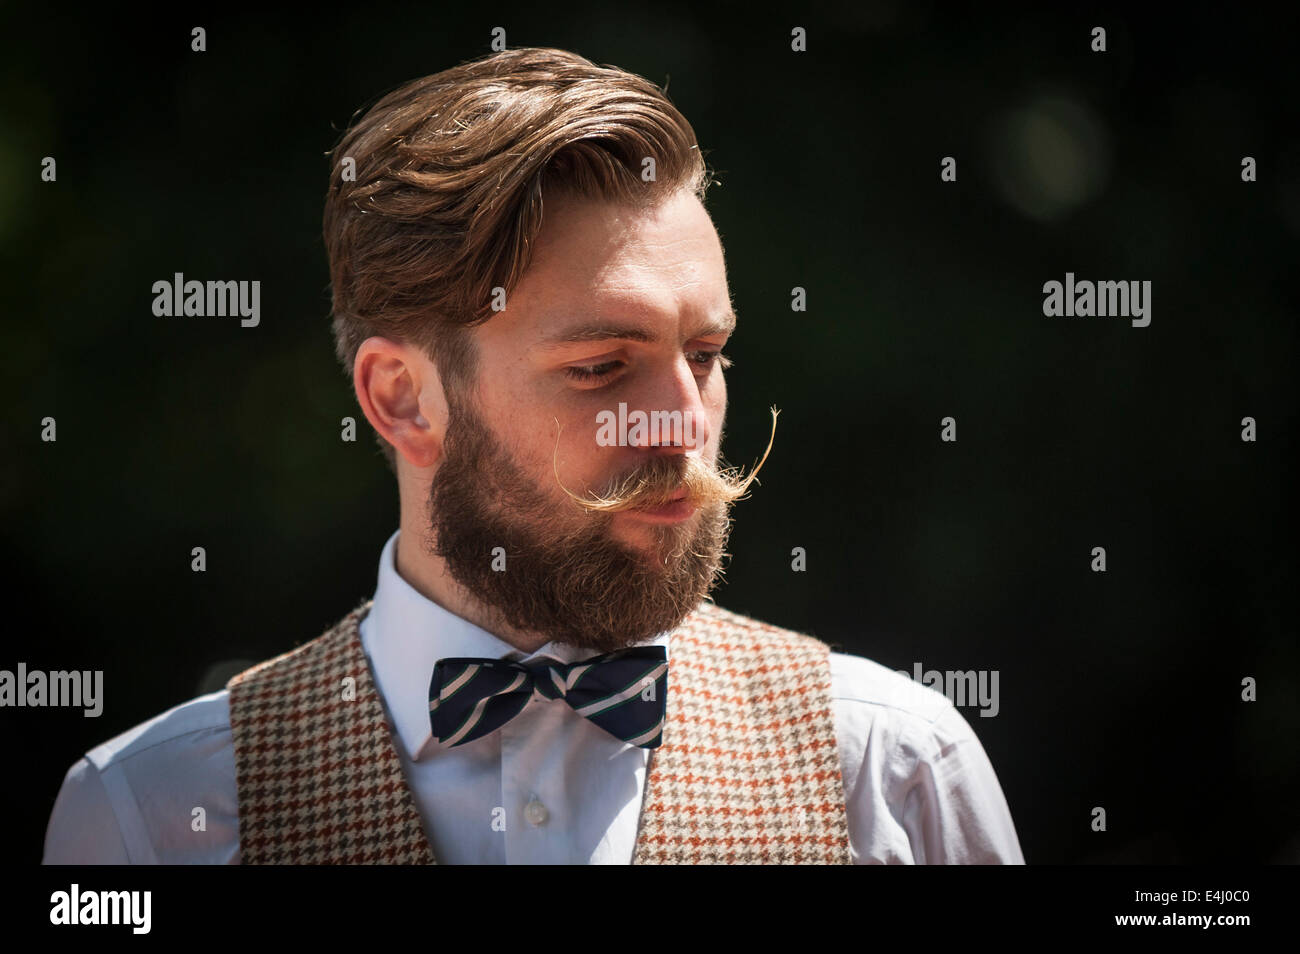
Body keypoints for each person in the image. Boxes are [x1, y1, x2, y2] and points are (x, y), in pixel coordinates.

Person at [43, 46, 1024, 865]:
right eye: (602, 367)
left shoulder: (892, 769)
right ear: (403, 398)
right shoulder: (148, 818)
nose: (681, 424)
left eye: (705, 354)